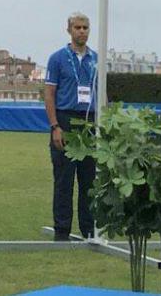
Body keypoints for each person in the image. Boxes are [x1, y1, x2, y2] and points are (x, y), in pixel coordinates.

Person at [42, 13, 98, 240]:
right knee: (64, 179)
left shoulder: (95, 58)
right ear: (69, 30)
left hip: (90, 121)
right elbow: (49, 94)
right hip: (65, 120)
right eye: (78, 27)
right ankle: (62, 231)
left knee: (89, 180)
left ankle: (89, 229)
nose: (82, 31)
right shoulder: (57, 58)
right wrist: (55, 125)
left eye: (85, 27)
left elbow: (101, 92)